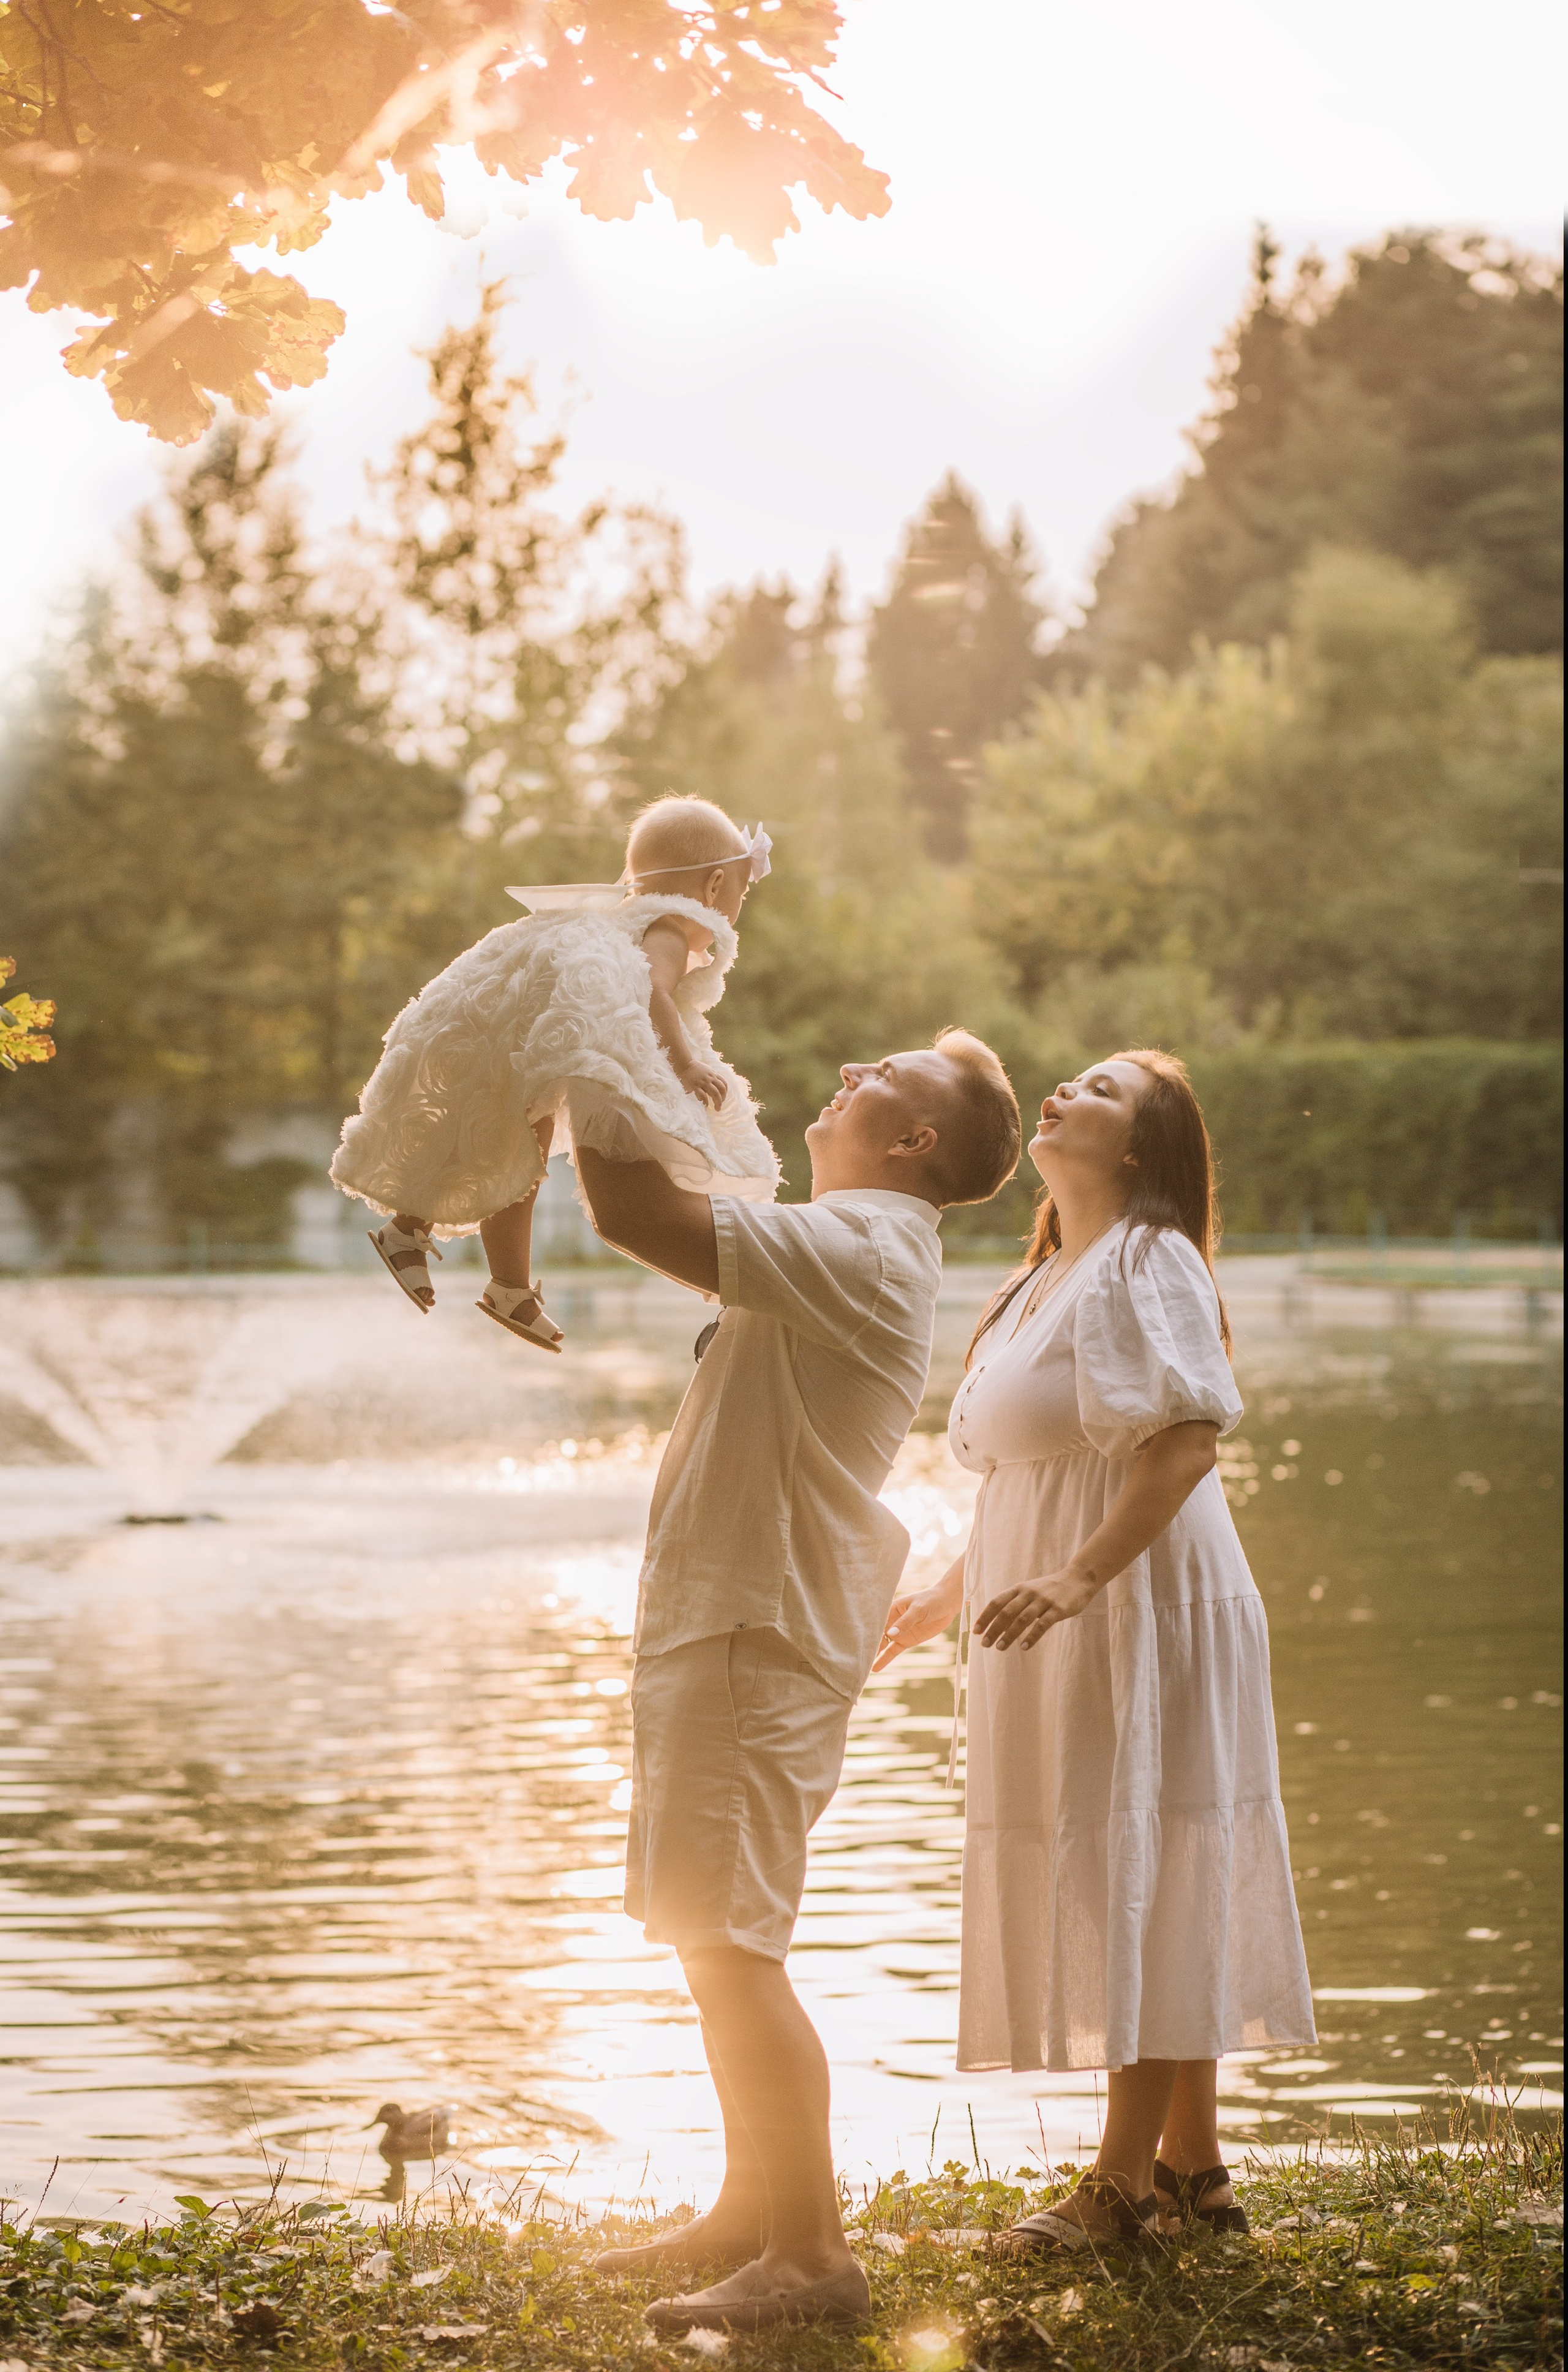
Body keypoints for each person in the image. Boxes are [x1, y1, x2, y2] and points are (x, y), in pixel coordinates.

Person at [579, 1031, 1021, 2334]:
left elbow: (628, 1207)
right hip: (722, 1622)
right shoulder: (841, 1239)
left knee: (734, 1941)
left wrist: (591, 1019)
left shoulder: (869, 1247)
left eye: (876, 1077)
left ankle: (812, 2258)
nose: (845, 1077)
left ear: (914, 1143)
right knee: (706, 1932)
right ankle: (748, 2207)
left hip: (750, 1633)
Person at [875, 1049, 1315, 2253]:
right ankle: (1192, 2172)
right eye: (1070, 1077)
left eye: (1104, 1090)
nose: (1067, 1090)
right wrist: (953, 1591)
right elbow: (1035, 1470)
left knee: (1145, 1851)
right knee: (1142, 1847)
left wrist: (1076, 1576)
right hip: (1066, 1598)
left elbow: (1180, 1441)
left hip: (1143, 1596)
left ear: (1137, 1148)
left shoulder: (1147, 1257)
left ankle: (1118, 2186)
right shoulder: (1036, 1280)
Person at [328, 796, 778, 1351]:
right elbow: (655, 990)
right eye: (741, 891)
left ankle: (437, 1247)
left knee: (502, 1139)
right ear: (714, 887)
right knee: (517, 1152)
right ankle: (495, 1281)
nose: (736, 907)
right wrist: (684, 1064)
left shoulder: (620, 920)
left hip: (533, 1031)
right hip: (559, 1037)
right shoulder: (670, 929)